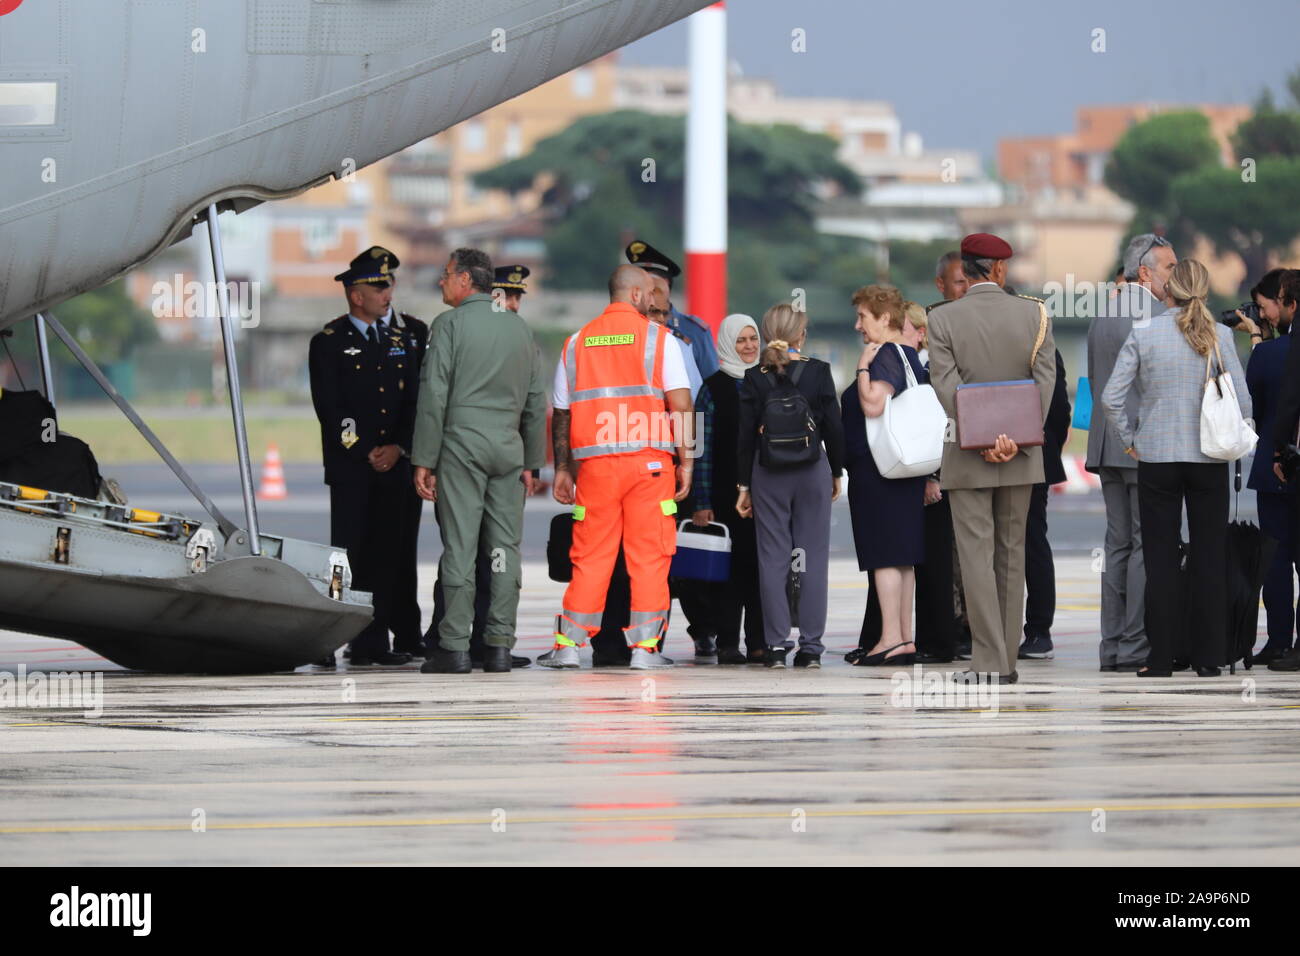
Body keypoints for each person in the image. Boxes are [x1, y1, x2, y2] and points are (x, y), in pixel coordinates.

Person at [1101, 258, 1251, 678]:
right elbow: (1245, 403)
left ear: (1168, 288)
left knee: (1161, 559)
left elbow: (1112, 398)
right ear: (1204, 290)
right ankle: (1208, 657)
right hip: (1208, 460)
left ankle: (1161, 658)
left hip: (1157, 459)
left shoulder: (1145, 333)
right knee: (1209, 556)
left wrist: (1131, 441)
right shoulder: (1220, 335)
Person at [541, 264, 694, 670]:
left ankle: (568, 646)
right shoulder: (660, 341)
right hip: (649, 468)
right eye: (650, 294)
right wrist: (688, 461)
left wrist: (562, 468)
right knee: (649, 557)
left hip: (595, 470)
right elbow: (681, 405)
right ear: (638, 295)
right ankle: (645, 650)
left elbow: (561, 412)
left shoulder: (575, 343)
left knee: (590, 557)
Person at [927, 233, 1057, 685]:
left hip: (967, 453)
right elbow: (1045, 385)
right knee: (1012, 553)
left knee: (976, 556)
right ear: (999, 269)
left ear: (969, 267)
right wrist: (1015, 440)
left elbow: (945, 387)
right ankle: (1007, 662)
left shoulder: (942, 320)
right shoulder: (1035, 314)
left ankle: (987, 660)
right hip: (1021, 456)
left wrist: (983, 438)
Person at [412, 248, 548, 674]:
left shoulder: (448, 325)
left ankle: (454, 647)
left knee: (461, 547)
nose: (441, 281)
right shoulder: (519, 329)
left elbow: (434, 395)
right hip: (508, 448)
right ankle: (499, 646)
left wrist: (424, 458)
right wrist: (531, 461)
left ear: (466, 280)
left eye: (446, 274)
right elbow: (535, 401)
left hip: (462, 445)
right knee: (504, 550)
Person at [308, 246, 423, 666]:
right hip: (352, 470)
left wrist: (397, 448)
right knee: (350, 556)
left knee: (388, 555)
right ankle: (340, 638)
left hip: (393, 468)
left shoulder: (401, 340)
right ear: (357, 295)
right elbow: (331, 408)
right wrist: (364, 451)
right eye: (378, 287)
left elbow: (413, 401)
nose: (387, 292)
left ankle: (379, 641)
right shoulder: (329, 341)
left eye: (388, 285)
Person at [1085, 233, 1176, 672]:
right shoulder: (1161, 317)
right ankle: (1135, 645)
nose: (1174, 277)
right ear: (1145, 272)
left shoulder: (1102, 315)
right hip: (1143, 446)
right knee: (1145, 544)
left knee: (1116, 544)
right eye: (1170, 268)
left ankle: (1111, 646)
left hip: (1105, 444)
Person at [736, 303, 845, 668]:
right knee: (812, 558)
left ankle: (777, 644)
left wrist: (742, 486)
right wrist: (837, 472)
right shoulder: (818, 372)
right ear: (801, 334)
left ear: (766, 333)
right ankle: (811, 647)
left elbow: (745, 437)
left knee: (772, 559)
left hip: (767, 473)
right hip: (812, 469)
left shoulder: (754, 377)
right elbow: (834, 427)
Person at [840, 285, 926, 667]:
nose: (858, 325)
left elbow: (873, 404)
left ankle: (890, 637)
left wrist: (861, 366)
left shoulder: (884, 353)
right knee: (903, 556)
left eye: (863, 317)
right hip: (903, 468)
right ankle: (903, 637)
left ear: (885, 318)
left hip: (880, 469)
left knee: (885, 555)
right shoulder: (908, 353)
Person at [693, 313, 766, 664]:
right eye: (741, 340)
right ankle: (727, 643)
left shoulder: (769, 381)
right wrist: (701, 500)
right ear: (726, 344)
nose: (750, 346)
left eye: (753, 338)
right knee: (728, 574)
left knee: (761, 569)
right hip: (725, 496)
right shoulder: (713, 388)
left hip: (766, 494)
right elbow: (701, 451)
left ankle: (759, 642)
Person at [1248, 270, 1300, 666]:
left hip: (1278, 465)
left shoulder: (1267, 354)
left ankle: (1279, 639)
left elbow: (1259, 411)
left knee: (1277, 560)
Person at [1020, 343, 1070, 661]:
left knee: (1023, 542)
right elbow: (1060, 411)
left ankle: (1033, 629)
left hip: (1005, 455)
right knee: (1033, 541)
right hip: (1036, 455)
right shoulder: (1046, 348)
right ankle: (1039, 630)